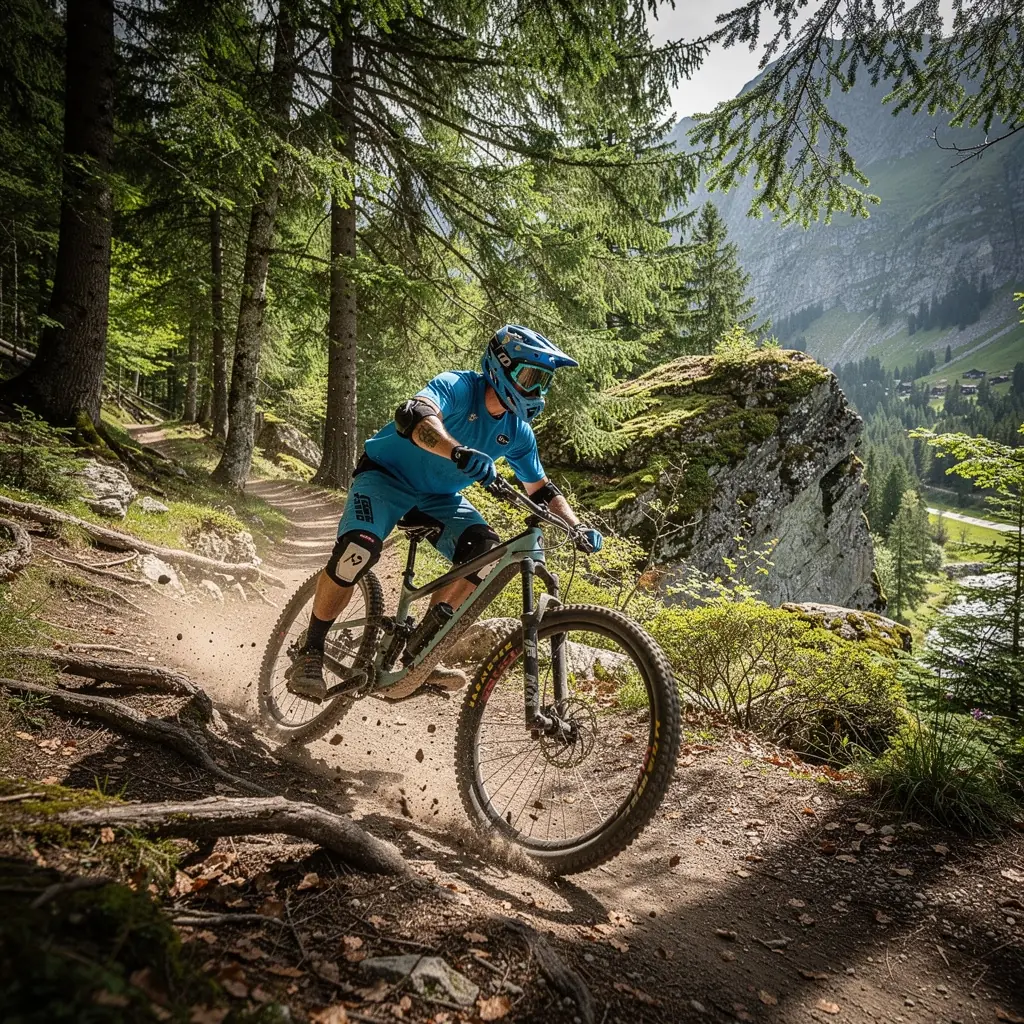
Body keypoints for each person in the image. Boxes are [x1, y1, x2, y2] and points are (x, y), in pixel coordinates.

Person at [285, 324, 604, 702]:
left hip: (438, 498)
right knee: (358, 551)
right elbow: (415, 417)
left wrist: (576, 525)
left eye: (543, 382)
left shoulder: (518, 434)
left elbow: (541, 489)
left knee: (486, 556)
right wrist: (457, 452)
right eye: (530, 376)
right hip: (384, 478)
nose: (536, 391)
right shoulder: (458, 386)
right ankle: (312, 651)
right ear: (501, 365)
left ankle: (421, 652)